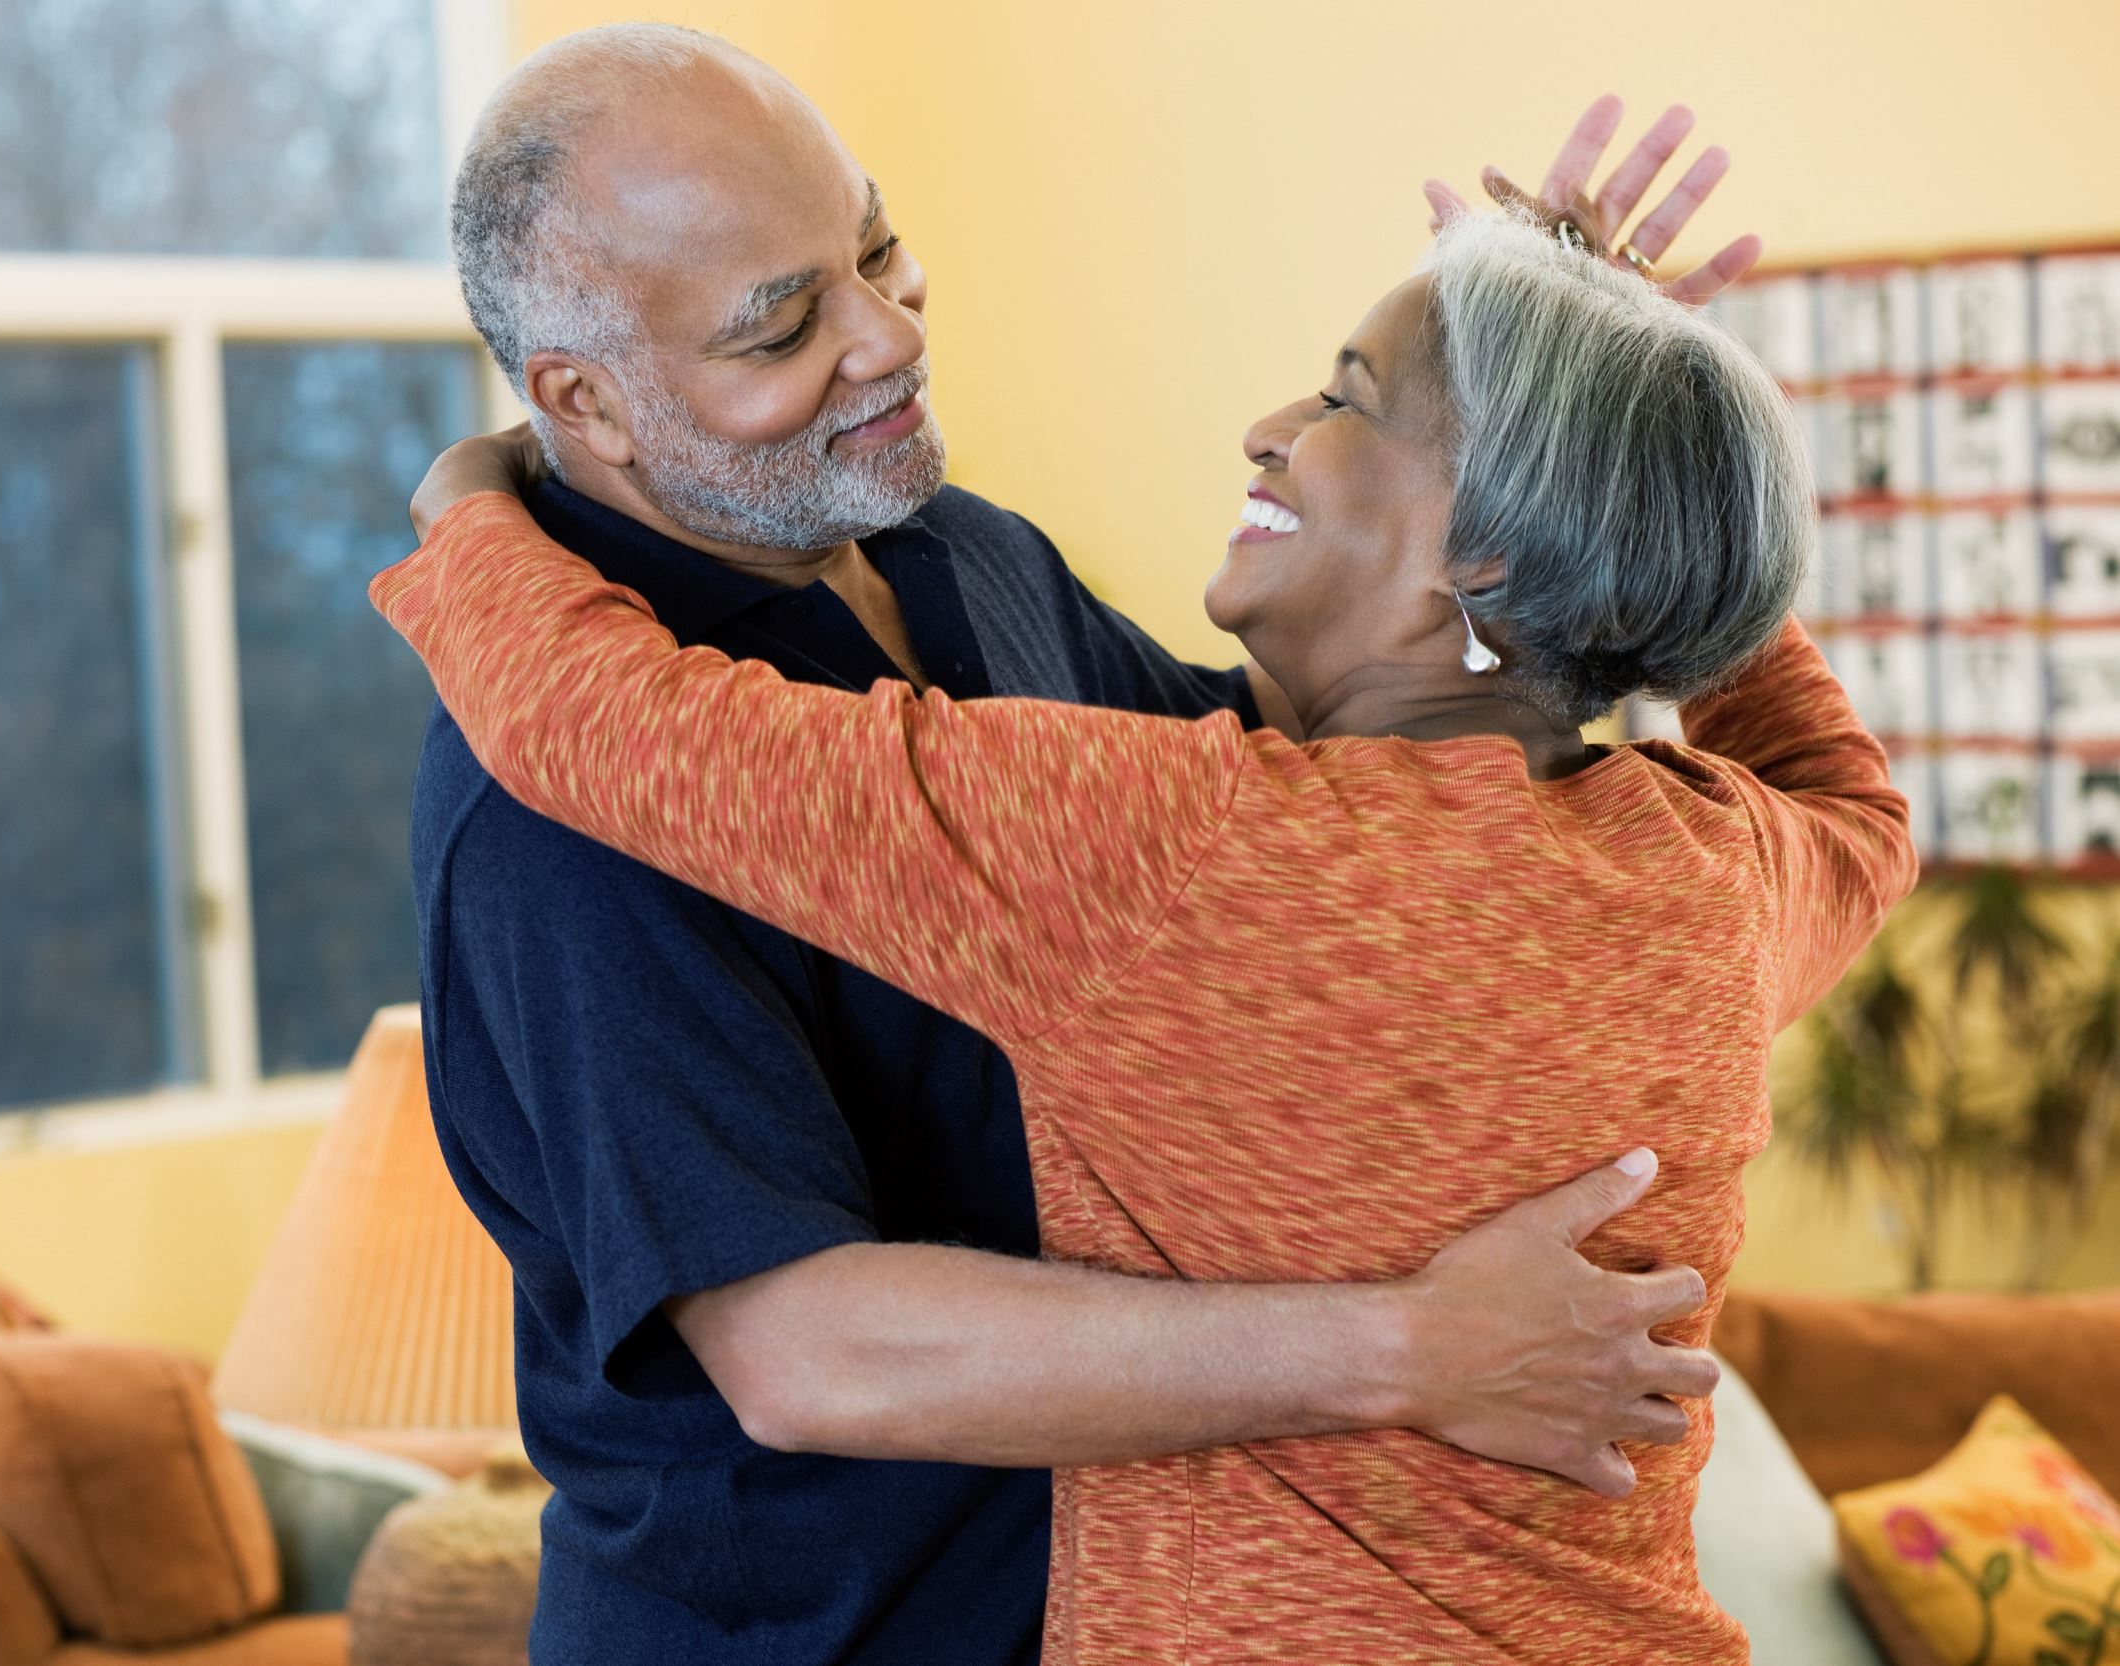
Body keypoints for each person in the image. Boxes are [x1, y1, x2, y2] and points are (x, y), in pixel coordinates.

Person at [379, 203, 1917, 1661]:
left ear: (1484, 552)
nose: (1270, 427)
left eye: (1345, 400)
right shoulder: (1718, 879)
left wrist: (468, 498)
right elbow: (1854, 800)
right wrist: (1616, 415)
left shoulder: (1168, 850)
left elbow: (610, 724)